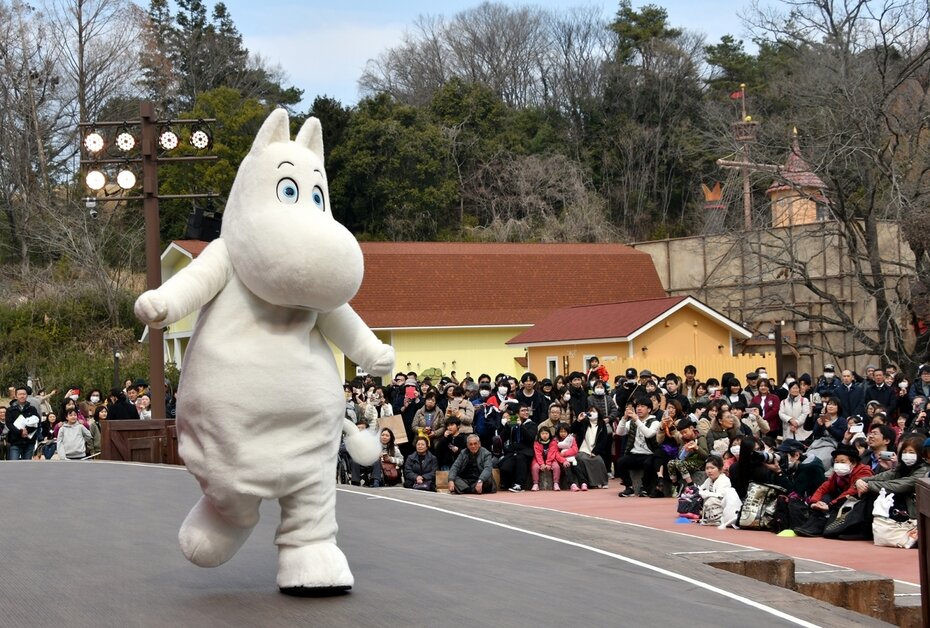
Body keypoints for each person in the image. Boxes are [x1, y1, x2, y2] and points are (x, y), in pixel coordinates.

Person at [801, 444, 873, 536]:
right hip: (839, 502)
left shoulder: (864, 472)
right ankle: (812, 527)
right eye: (836, 461)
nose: (838, 464)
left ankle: (819, 527)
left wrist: (830, 505)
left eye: (842, 462)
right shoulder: (838, 474)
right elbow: (824, 487)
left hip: (856, 504)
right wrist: (814, 502)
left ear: (853, 463)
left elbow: (851, 492)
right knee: (826, 496)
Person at [856, 434, 928, 525]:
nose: (907, 455)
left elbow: (898, 485)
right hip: (903, 506)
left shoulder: (924, 470)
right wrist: (860, 481)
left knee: (876, 494)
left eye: (911, 452)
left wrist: (869, 485)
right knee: (871, 495)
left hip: (913, 511)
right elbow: (882, 477)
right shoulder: (902, 467)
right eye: (904, 452)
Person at [615, 398, 660, 497]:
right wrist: (624, 418)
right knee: (621, 462)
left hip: (649, 454)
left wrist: (637, 420)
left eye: (642, 406)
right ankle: (629, 487)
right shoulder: (631, 422)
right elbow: (619, 432)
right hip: (634, 454)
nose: (639, 409)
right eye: (638, 406)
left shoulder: (655, 422)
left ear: (649, 409)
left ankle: (645, 487)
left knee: (648, 463)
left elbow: (648, 434)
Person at [571, 402, 611, 490]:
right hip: (582, 448)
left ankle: (602, 481)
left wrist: (595, 451)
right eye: (590, 411)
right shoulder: (584, 422)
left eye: (594, 411)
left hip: (595, 449)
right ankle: (588, 482)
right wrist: (578, 420)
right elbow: (573, 429)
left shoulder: (602, 424)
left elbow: (603, 440)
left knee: (599, 460)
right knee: (582, 459)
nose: (591, 413)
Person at [499, 404, 537, 492]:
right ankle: (509, 483)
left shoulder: (532, 424)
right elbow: (503, 437)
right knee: (504, 467)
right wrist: (508, 426)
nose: (526, 412)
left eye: (527, 410)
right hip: (513, 451)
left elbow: (530, 438)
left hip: (526, 452)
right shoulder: (513, 421)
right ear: (517, 413)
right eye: (523, 410)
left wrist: (521, 426)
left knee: (520, 458)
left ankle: (520, 485)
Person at [698, 456, 742, 528]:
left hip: (726, 509)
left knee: (712, 499)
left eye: (712, 468)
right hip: (716, 509)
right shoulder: (709, 480)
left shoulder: (724, 480)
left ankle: (717, 519)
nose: (709, 471)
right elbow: (700, 489)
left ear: (720, 469)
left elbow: (719, 495)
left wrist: (705, 493)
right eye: (707, 468)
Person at [667, 417, 708, 492]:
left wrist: (696, 448)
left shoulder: (700, 437)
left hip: (699, 462)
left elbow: (705, 455)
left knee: (679, 463)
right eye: (682, 433)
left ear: (691, 428)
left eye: (685, 432)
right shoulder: (683, 439)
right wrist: (684, 450)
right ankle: (676, 485)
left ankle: (691, 486)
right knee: (670, 463)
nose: (684, 435)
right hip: (687, 461)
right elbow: (680, 457)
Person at [6, 385, 41, 460]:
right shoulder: (10, 410)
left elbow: (37, 422)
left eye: (24, 394)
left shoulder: (32, 409)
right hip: (15, 441)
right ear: (16, 396)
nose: (22, 396)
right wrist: (20, 432)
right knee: (14, 463)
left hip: (29, 441)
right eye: (20, 394)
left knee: (26, 465)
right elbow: (9, 424)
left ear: (27, 395)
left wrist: (27, 431)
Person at [531, 425, 561, 491]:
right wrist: (541, 464)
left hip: (551, 459)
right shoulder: (536, 443)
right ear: (539, 434)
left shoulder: (553, 442)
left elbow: (551, 453)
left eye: (546, 433)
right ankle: (535, 484)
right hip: (538, 460)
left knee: (556, 467)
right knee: (535, 467)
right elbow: (538, 454)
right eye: (542, 434)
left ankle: (556, 483)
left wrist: (548, 463)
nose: (544, 435)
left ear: (549, 434)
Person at [554, 422, 582, 491]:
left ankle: (583, 483)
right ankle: (572, 484)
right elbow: (556, 453)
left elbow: (575, 449)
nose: (563, 433)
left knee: (577, 467)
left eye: (564, 431)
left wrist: (564, 453)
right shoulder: (555, 440)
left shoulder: (571, 439)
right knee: (567, 467)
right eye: (561, 431)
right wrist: (563, 460)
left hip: (572, 458)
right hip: (562, 461)